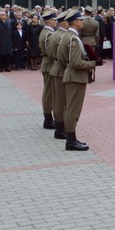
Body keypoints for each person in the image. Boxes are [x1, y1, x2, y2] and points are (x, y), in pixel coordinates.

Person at [60, 10, 96, 151]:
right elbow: (76, 63)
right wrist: (93, 64)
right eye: (80, 20)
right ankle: (71, 140)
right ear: (75, 21)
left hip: (72, 76)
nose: (83, 22)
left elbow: (63, 57)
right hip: (75, 77)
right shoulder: (73, 39)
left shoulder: (68, 35)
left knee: (70, 108)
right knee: (73, 110)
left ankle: (71, 138)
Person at [47, 11, 71, 140]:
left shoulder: (55, 34)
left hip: (56, 67)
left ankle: (59, 126)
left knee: (58, 99)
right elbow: (61, 55)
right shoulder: (61, 36)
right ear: (65, 22)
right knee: (61, 100)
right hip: (61, 68)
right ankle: (60, 128)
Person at [38, 10, 59, 130]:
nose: (56, 22)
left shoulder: (46, 32)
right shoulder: (48, 34)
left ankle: (48, 118)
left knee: (49, 92)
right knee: (49, 93)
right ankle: (48, 119)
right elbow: (50, 52)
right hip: (49, 64)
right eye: (54, 20)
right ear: (50, 20)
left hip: (48, 64)